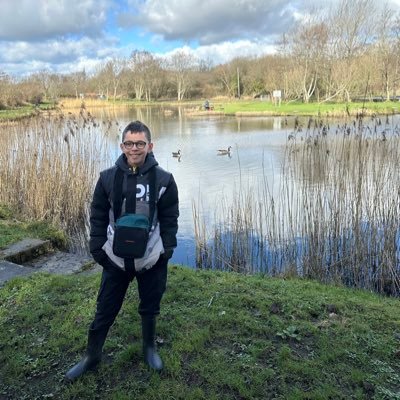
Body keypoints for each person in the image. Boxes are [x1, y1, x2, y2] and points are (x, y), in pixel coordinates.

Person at [65, 120, 179, 381]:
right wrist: (96, 247)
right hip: (116, 259)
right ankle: (91, 356)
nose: (135, 148)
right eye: (129, 143)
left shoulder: (164, 180)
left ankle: (149, 349)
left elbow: (171, 217)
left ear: (150, 146)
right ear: (122, 146)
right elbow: (97, 215)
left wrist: (167, 250)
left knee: (150, 306)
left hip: (151, 258)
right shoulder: (107, 178)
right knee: (105, 308)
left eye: (140, 143)